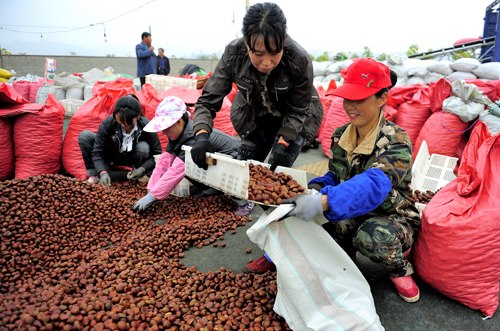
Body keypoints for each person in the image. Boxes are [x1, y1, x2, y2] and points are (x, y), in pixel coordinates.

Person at [247, 58, 422, 303]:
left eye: (359, 99)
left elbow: (375, 184)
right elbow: (335, 174)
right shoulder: (341, 135)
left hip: (390, 215)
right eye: (348, 98)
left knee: (371, 236)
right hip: (350, 208)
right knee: (308, 223)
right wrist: (316, 187)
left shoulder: (397, 140)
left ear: (382, 98)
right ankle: (319, 255)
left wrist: (324, 202)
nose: (350, 106)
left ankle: (398, 268)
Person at [191, 2, 323, 173]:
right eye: (259, 54)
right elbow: (207, 102)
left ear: (283, 43)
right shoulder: (233, 55)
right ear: (246, 44)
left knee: (279, 170)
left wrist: (283, 143)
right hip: (255, 116)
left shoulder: (299, 59)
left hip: (296, 116)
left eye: (275, 53)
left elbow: (298, 110)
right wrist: (201, 137)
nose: (267, 62)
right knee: (246, 169)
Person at [131, 96, 255, 216]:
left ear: (178, 122)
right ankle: (212, 189)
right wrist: (151, 190)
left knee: (185, 165)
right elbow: (165, 162)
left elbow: (175, 172)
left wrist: (153, 197)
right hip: (214, 162)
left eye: (166, 128)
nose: (163, 132)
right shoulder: (177, 135)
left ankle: (245, 200)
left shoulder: (192, 136)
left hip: (237, 161)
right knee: (188, 164)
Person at [78, 94, 162, 187]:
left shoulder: (146, 125)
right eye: (120, 121)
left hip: (133, 158)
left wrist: (143, 168)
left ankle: (138, 174)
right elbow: (97, 152)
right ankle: (97, 174)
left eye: (129, 122)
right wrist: (102, 172)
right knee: (85, 136)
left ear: (138, 116)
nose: (125, 125)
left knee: (143, 147)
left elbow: (157, 154)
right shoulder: (108, 123)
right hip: (112, 155)